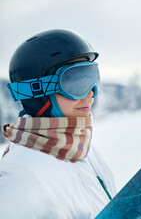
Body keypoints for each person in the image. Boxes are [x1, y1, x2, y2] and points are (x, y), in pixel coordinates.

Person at [0, 29, 116, 219]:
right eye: (75, 83)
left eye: (92, 78)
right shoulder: (18, 180)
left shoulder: (84, 150)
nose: (90, 94)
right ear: (38, 92)